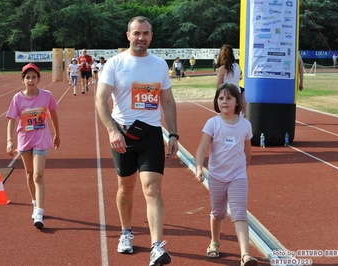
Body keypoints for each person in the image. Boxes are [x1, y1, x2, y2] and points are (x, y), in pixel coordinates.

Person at [95, 16, 178, 266]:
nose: (142, 37)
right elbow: (100, 100)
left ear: (151, 36)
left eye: (146, 33)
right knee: (126, 188)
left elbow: (167, 101)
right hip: (123, 134)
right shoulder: (115, 64)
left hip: (151, 133)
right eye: (137, 33)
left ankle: (156, 247)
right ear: (128, 35)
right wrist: (112, 131)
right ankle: (126, 232)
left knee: (152, 188)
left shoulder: (160, 65)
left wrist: (173, 133)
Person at [195, 83, 257, 266]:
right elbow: (202, 148)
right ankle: (214, 242)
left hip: (238, 176)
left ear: (237, 102)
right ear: (217, 101)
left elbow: (248, 152)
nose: (224, 101)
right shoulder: (212, 123)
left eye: (229, 98)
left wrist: (243, 171)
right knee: (218, 213)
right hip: (216, 176)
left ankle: (245, 254)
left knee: (239, 213)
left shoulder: (245, 125)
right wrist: (199, 168)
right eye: (221, 98)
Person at [6, 63, 60, 229]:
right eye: (27, 77)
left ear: (38, 79)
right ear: (23, 80)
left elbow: (54, 115)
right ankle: (35, 202)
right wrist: (9, 140)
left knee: (38, 175)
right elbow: (11, 119)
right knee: (29, 174)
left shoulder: (47, 96)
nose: (31, 80)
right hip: (24, 140)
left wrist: (57, 134)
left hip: (41, 139)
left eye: (33, 77)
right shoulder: (17, 98)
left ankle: (39, 212)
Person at [216, 44, 246, 115]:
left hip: (227, 94)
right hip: (237, 93)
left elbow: (218, 85)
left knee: (227, 117)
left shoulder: (222, 69)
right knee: (237, 116)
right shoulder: (237, 66)